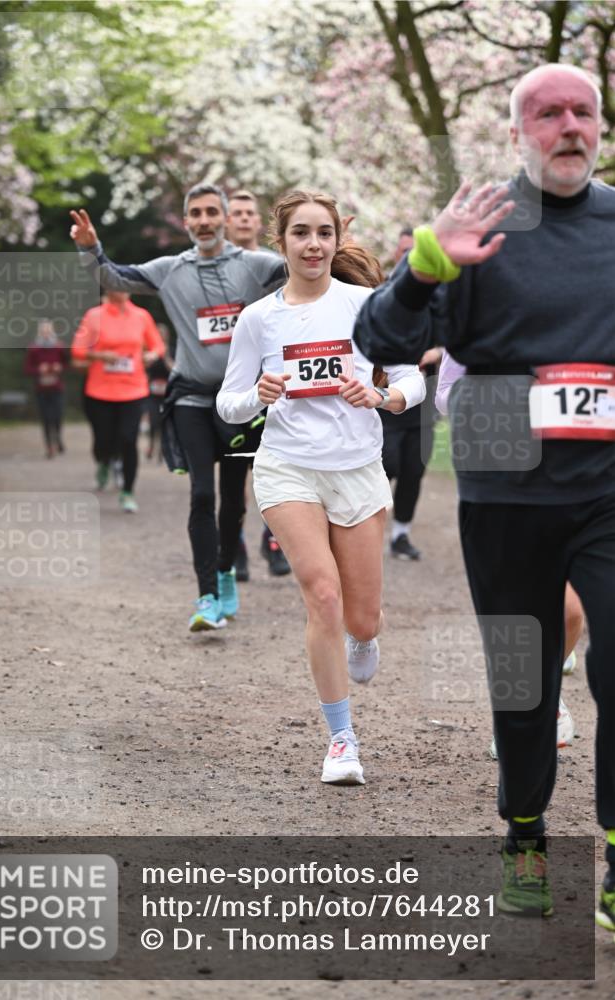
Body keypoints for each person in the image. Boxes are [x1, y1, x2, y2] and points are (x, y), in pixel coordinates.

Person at [355, 64, 615, 928]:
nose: (568, 126)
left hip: (608, 486)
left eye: (583, 110)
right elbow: (378, 340)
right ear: (517, 132)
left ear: (600, 123)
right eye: (548, 114)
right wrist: (425, 269)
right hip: (505, 487)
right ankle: (526, 833)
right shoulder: (474, 228)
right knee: (523, 678)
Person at [217, 190, 425, 785]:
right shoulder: (258, 318)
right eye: (301, 233)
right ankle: (341, 740)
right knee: (322, 595)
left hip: (357, 468)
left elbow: (413, 381)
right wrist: (256, 394)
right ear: (280, 243)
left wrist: (380, 396)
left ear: (337, 240)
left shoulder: (368, 305)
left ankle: (364, 639)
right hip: (288, 467)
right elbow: (227, 404)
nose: (314, 244)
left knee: (362, 617)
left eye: (324, 233)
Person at [70, 184, 285, 630]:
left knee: (232, 502)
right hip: (190, 397)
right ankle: (207, 595)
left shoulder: (254, 266)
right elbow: (112, 278)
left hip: (241, 401)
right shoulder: (170, 270)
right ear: (185, 222)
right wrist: (91, 249)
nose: (204, 220)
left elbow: (307, 267)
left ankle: (226, 571)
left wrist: (331, 239)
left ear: (225, 219)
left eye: (212, 212)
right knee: (202, 494)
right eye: (195, 213)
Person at [435, 350, 585, 754]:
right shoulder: (485, 307)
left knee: (571, 611)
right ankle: (520, 718)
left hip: (578, 480)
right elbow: (445, 393)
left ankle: (543, 692)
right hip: (506, 483)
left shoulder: (587, 307)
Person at [225, 189, 292, 580]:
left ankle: (274, 540)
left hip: (278, 382)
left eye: (251, 213)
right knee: (234, 477)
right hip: (234, 382)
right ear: (227, 222)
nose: (245, 219)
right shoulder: (214, 269)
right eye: (238, 213)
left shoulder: (276, 265)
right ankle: (236, 548)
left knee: (278, 465)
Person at [71, 290, 165, 512]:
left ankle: (128, 491)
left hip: (133, 389)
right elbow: (77, 350)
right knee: (103, 439)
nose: (120, 290)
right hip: (99, 390)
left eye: (124, 285)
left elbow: (158, 345)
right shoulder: (94, 315)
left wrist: (151, 355)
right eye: (114, 285)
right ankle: (103, 461)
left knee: (128, 439)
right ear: (107, 289)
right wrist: (100, 356)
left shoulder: (141, 316)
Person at [381, 228, 442, 560]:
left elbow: (456, 340)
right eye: (405, 251)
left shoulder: (438, 296)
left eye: (415, 253)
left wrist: (435, 354)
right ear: (396, 254)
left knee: (414, 470)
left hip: (422, 400)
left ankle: (401, 534)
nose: (409, 258)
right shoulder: (379, 292)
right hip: (385, 400)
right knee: (387, 462)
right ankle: (362, 524)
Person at [24, 320, 68, 458]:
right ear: (39, 332)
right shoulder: (34, 348)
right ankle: (49, 446)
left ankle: (58, 438)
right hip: (41, 389)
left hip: (57, 388)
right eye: (43, 331)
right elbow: (27, 369)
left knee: (57, 416)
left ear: (52, 331)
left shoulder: (59, 347)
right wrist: (38, 369)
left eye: (48, 330)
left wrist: (59, 367)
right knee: (45, 418)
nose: (46, 333)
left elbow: (67, 364)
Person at [146, 324, 174, 462]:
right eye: (159, 334)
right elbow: (145, 369)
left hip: (167, 394)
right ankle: (151, 444)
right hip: (152, 394)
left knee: (164, 423)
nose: (161, 336)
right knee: (153, 421)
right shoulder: (151, 351)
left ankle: (162, 450)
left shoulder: (172, 351)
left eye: (163, 334)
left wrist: (166, 355)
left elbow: (174, 370)